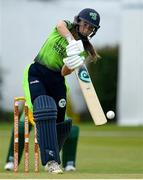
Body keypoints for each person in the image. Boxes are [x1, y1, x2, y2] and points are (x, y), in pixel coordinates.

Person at [9, 8, 101, 174]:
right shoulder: (65, 27)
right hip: (37, 72)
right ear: (78, 21)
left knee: (62, 123)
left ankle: (50, 147)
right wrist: (71, 41)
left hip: (57, 80)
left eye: (91, 27)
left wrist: (71, 62)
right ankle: (51, 161)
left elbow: (63, 73)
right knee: (44, 107)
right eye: (85, 24)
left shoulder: (81, 50)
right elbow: (60, 25)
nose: (87, 29)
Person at [4, 112, 80, 172]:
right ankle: (12, 160)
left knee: (71, 129)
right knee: (20, 128)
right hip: (33, 106)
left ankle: (68, 163)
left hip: (55, 104)